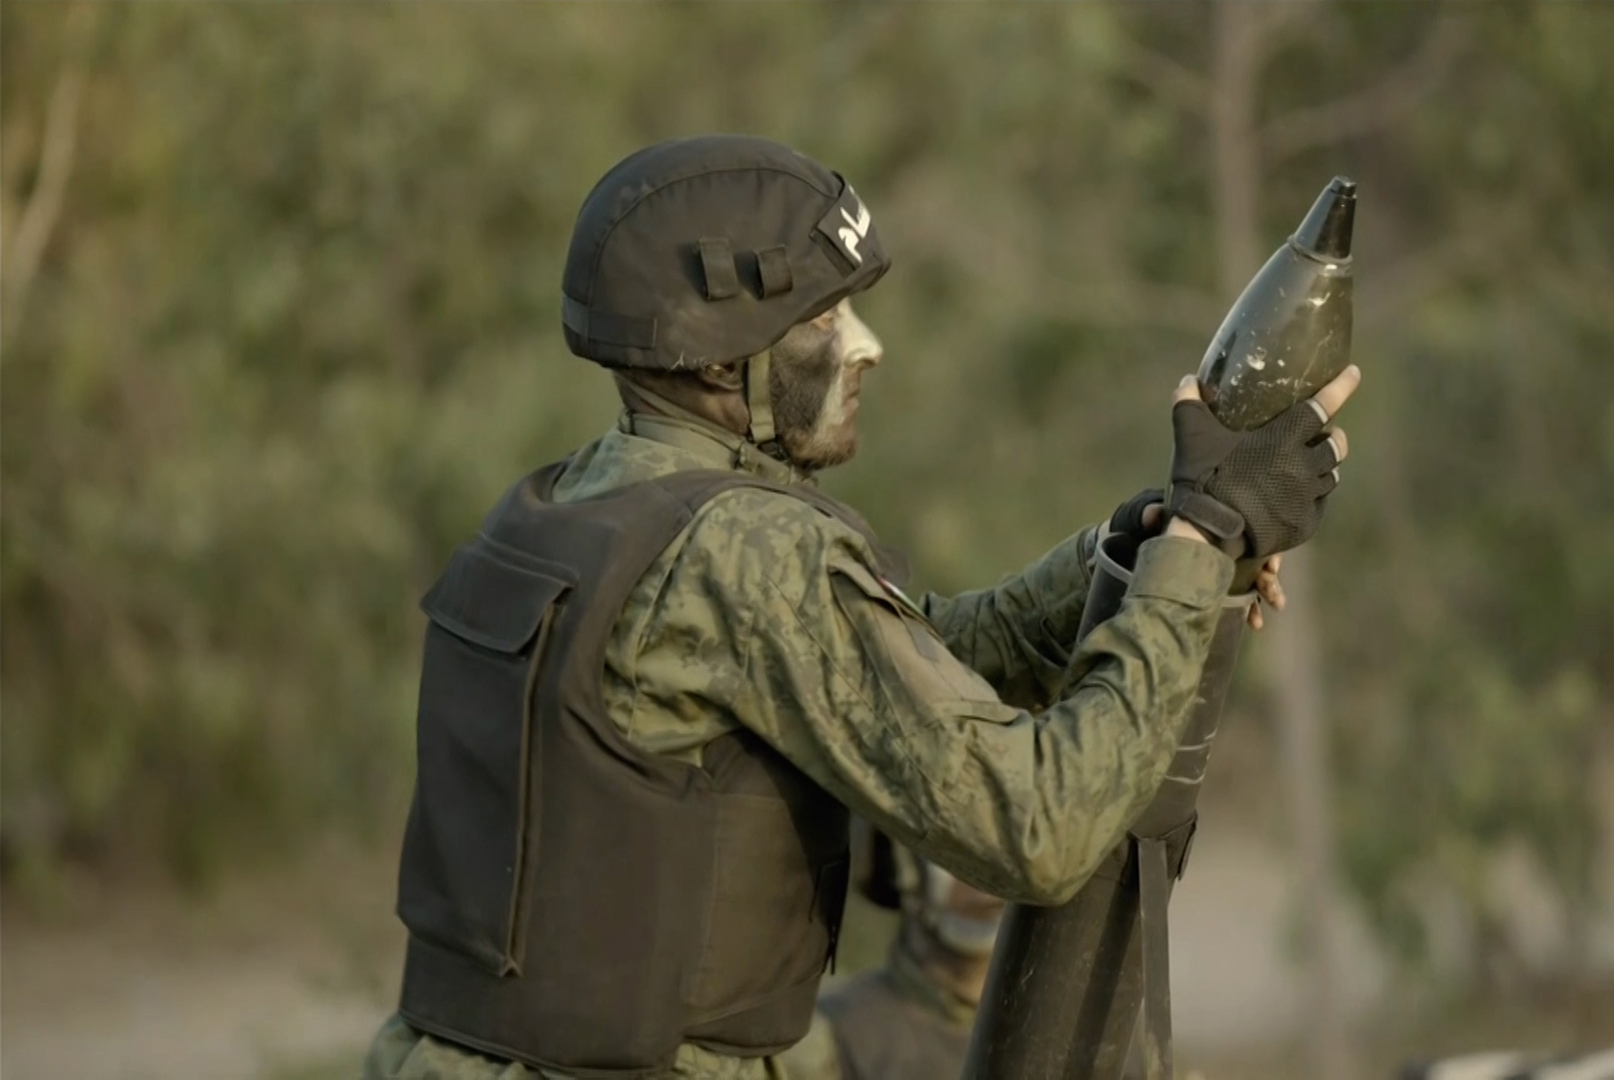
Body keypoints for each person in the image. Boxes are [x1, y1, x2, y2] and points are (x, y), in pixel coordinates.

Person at [360, 134, 1357, 1080]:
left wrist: (1131, 553)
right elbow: (1042, 827)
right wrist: (1200, 547)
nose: (866, 346)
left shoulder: (571, 506)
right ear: (718, 362)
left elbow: (896, 666)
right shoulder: (749, 550)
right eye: (824, 320)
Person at [777, 841, 1007, 1080]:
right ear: (906, 866)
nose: (982, 887)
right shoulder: (833, 1037)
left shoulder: (1035, 1033)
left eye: (1000, 859)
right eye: (957, 859)